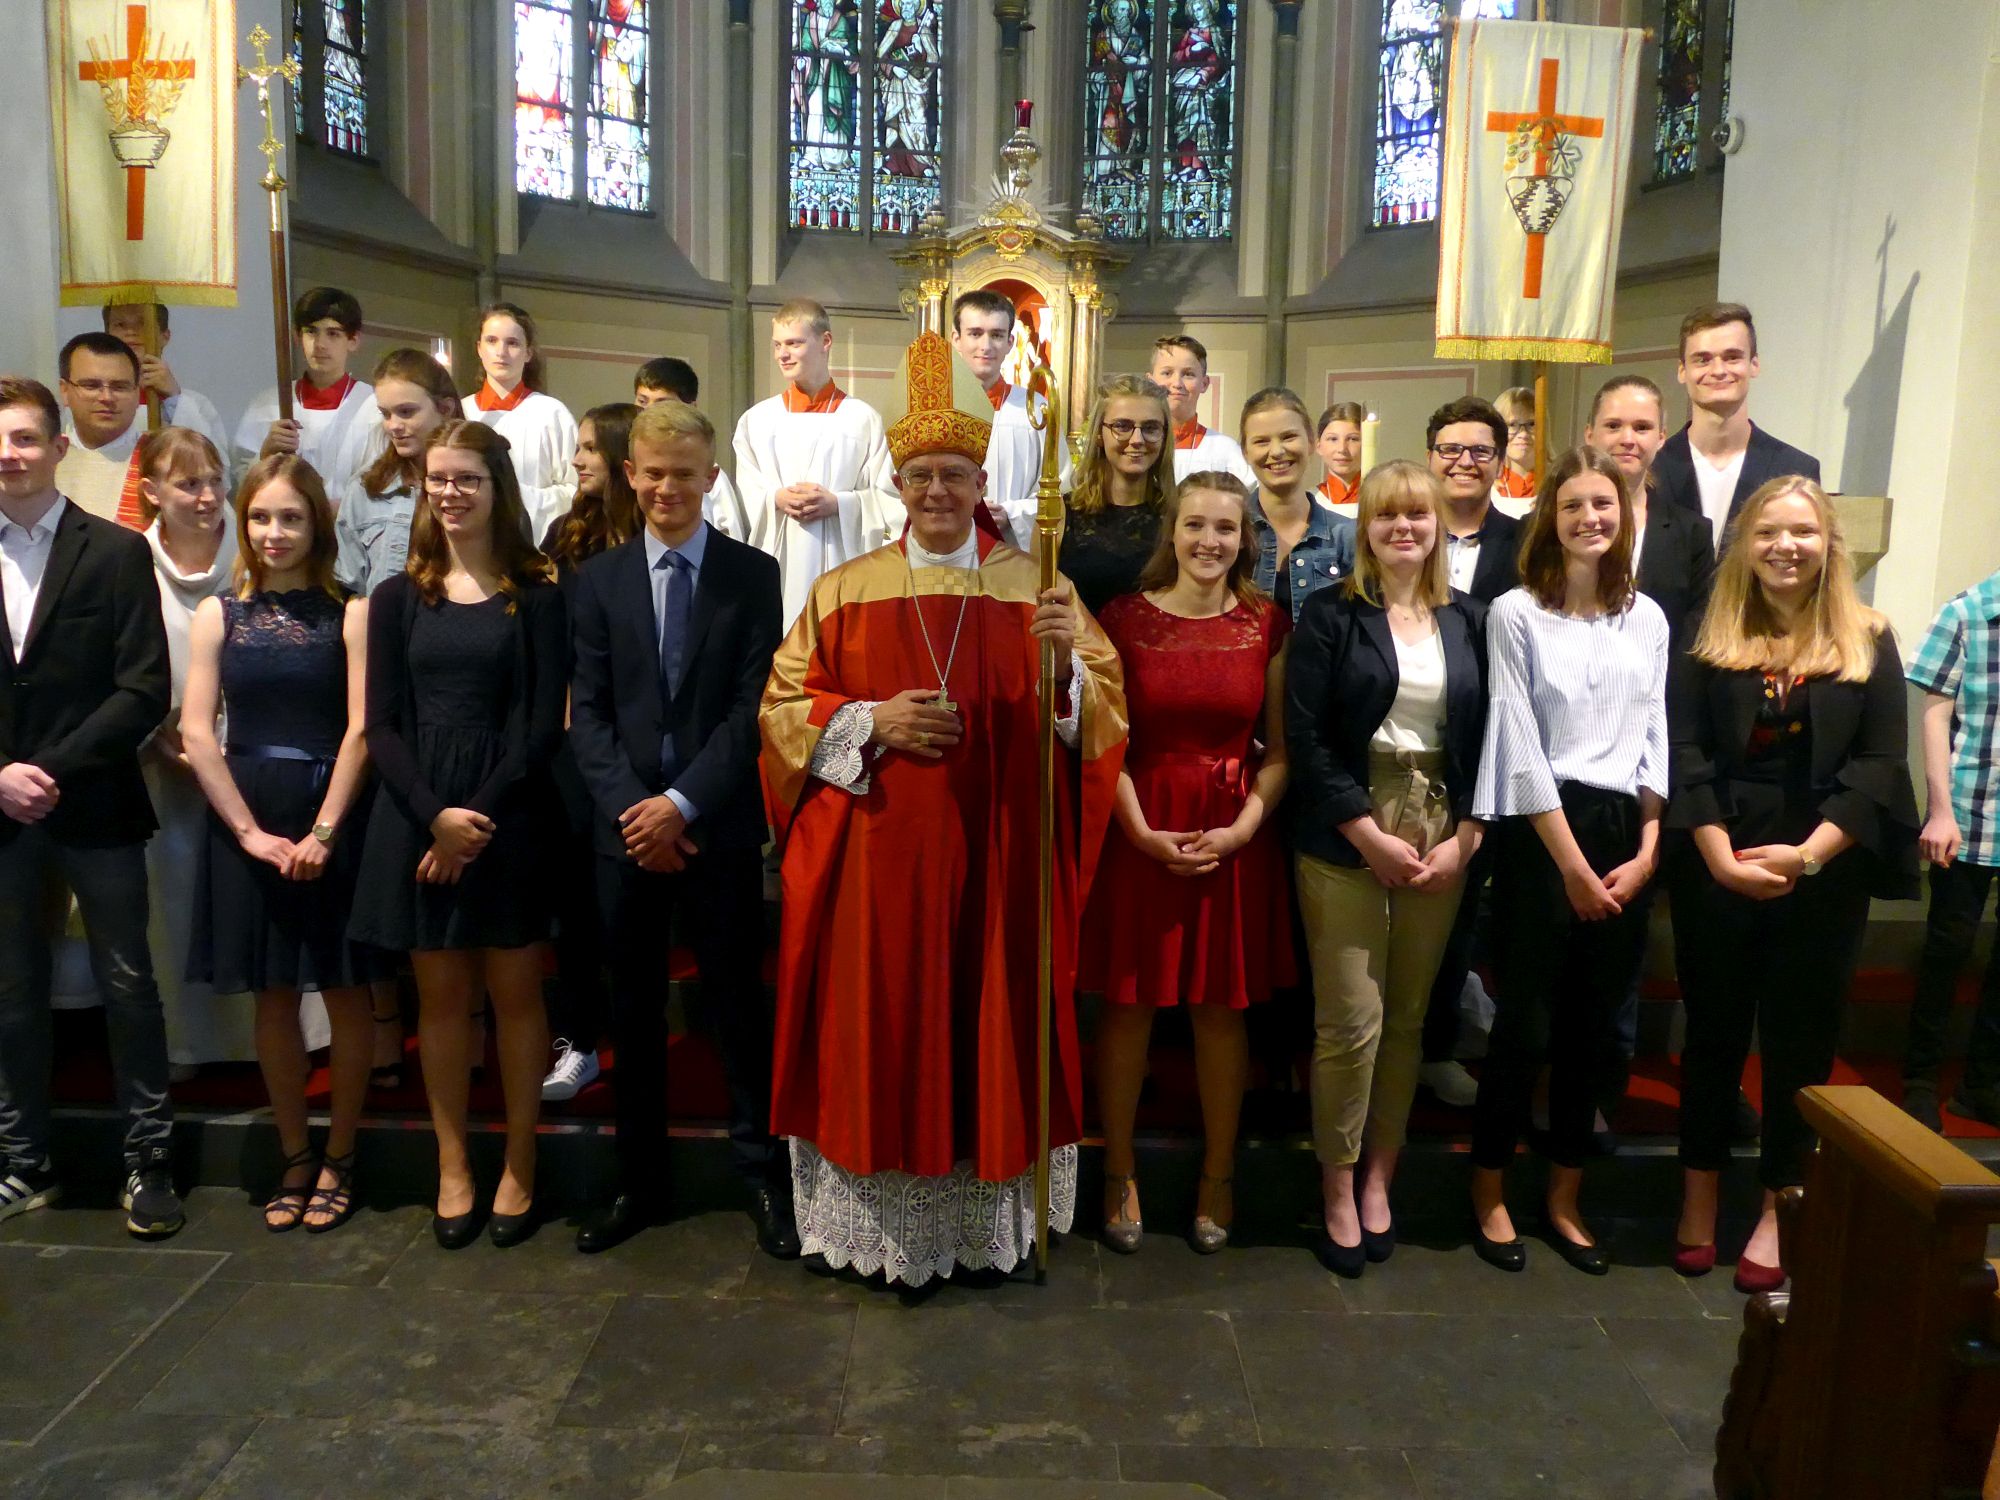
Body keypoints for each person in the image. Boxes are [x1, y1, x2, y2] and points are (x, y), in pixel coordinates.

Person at [760, 332, 1126, 1286]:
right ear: (896, 484)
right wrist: (868, 720)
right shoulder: (843, 590)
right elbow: (781, 709)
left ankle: (987, 1219)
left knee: (989, 1019)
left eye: (954, 475)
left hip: (998, 857)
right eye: (920, 475)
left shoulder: (1038, 585)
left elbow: (1102, 711)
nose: (936, 491)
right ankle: (887, 1225)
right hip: (875, 866)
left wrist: (1063, 669)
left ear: (979, 481)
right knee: (883, 1022)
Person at [1668, 477, 1916, 1291]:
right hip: (1718, 853)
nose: (1786, 546)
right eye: (1769, 531)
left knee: (1799, 1044)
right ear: (1745, 543)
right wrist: (1717, 856)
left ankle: (1779, 1203)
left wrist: (1808, 857)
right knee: (1712, 1034)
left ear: (1829, 543)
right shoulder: (1707, 632)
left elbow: (1879, 763)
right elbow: (1685, 751)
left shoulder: (1869, 636)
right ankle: (1699, 1192)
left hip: (1825, 865)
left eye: (1803, 531)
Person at [568, 401, 794, 1257]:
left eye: (685, 474)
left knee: (736, 1006)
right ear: (630, 475)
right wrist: (639, 810)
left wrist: (682, 805)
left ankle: (761, 1177)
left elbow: (752, 707)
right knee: (632, 1012)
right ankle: (639, 1181)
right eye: (654, 473)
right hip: (624, 830)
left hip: (716, 824)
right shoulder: (598, 580)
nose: (668, 488)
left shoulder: (752, 574)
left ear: (711, 477)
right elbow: (588, 713)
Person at [346, 421, 568, 1250]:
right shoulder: (398, 596)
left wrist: (471, 819)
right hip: (418, 814)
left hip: (509, 812)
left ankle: (520, 1161)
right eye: (437, 478)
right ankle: (451, 1164)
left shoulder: (536, 592)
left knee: (515, 996)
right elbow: (381, 723)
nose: (449, 492)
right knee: (439, 1002)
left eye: (466, 478)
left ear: (496, 487)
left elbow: (539, 726)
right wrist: (434, 817)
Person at [1469, 447, 1669, 1277]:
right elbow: (1515, 739)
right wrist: (1573, 868)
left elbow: (1655, 734)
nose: (1591, 518)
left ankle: (1563, 1198)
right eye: (1574, 505)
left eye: (1604, 504)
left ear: (1625, 515)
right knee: (1524, 1028)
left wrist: (1648, 851)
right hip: (1542, 832)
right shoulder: (1515, 612)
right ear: (1549, 518)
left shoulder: (1647, 617)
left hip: (1625, 835)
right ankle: (1489, 1192)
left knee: (1592, 1033)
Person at [1083, 472, 1293, 1257]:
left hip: (1230, 830)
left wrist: (1242, 830)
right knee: (1129, 1004)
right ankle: (1119, 1171)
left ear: (1245, 539)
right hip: (1140, 821)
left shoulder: (1267, 622)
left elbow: (1282, 752)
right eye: (1195, 525)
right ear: (1170, 532)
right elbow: (1104, 737)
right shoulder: (1121, 619)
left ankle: (1218, 1174)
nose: (1209, 541)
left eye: (1225, 528)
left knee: (1218, 1009)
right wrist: (1137, 829)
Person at [1286, 461, 1488, 1278]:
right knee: (1351, 1022)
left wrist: (1468, 835)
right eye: (1387, 515)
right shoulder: (1332, 616)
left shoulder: (1471, 620)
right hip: (1348, 826)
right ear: (1364, 528)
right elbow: (1305, 737)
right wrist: (1365, 831)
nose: (1404, 528)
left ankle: (1380, 1178)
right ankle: (1336, 1186)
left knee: (1408, 1017)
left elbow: (1494, 737)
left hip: (1442, 825)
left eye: (1418, 515)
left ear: (1440, 526)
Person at [181, 456, 385, 1232]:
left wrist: (324, 831)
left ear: (317, 525)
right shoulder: (218, 614)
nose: (274, 532)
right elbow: (196, 733)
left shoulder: (351, 613)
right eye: (261, 517)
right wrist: (251, 835)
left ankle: (342, 1155)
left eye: (290, 517)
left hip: (332, 811)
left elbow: (362, 729)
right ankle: (296, 1156)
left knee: (344, 988)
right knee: (271, 992)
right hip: (249, 818)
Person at [0, 377, 179, 1236]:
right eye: (0, 440)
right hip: (0, 812)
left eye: (25, 438)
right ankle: (22, 1162)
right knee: (11, 988)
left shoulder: (115, 551)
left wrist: (43, 769)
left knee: (128, 984)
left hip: (97, 801)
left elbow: (143, 688)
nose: (10, 454)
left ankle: (149, 1161)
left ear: (57, 447)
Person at [1415, 395, 1525, 1109]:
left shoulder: (1529, 543)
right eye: (1451, 449)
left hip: (1489, 744)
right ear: (1430, 455)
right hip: (1401, 740)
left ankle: (1437, 1048)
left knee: (1461, 912)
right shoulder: (1399, 528)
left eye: (1480, 450)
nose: (1464, 461)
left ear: (1500, 461)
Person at [134, 428, 254, 1076]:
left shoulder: (252, 547)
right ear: (152, 491)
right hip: (166, 760)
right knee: (174, 900)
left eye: (215, 480)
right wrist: (162, 739)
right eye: (188, 484)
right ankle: (188, 1044)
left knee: (250, 897)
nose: (208, 496)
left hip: (253, 753)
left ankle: (261, 1040)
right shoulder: (130, 561)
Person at [535, 402, 642, 1104]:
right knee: (573, 904)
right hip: (575, 739)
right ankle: (577, 1040)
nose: (576, 461)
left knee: (626, 910)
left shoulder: (657, 534)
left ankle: (635, 1042)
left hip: (639, 740)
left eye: (588, 448)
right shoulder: (565, 536)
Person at [1904, 567, 2000, 1131]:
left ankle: (1981, 1083)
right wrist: (1939, 809)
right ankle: (1920, 1080)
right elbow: (1936, 717)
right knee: (1948, 950)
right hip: (1969, 806)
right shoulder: (1967, 612)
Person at [732, 298, 896, 627]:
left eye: (794, 343)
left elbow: (888, 499)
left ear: (825, 341)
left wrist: (839, 504)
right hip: (778, 565)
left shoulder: (862, 419)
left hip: (841, 560)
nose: (782, 354)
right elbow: (744, 494)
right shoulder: (757, 420)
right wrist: (774, 498)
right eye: (777, 345)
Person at [1650, 302, 1821, 551]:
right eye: (1702, 360)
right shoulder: (1651, 468)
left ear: (1754, 364)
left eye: (1732, 357)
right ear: (1682, 370)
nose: (1718, 370)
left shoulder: (1796, 469)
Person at [1585, 375, 1715, 647]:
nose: (1627, 439)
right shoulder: (1547, 525)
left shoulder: (1692, 534)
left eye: (1642, 427)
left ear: (1661, 438)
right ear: (1590, 435)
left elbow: (1695, 638)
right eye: (1613, 426)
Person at [232, 286, 387, 499]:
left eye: (333, 333)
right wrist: (265, 456)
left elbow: (380, 482)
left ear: (353, 341)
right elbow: (241, 481)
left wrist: (331, 510)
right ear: (297, 337)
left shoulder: (373, 406)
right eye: (311, 331)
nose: (320, 344)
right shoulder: (269, 404)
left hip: (345, 520)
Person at [336, 348, 462, 599]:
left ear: (445, 408)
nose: (393, 426)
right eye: (386, 414)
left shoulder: (480, 483)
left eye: (406, 412)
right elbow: (349, 587)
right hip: (385, 621)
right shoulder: (366, 488)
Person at [1060, 374, 1174, 615]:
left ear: (1164, 437)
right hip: (1078, 640)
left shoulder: (1178, 515)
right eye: (1122, 426)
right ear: (1099, 434)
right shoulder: (1060, 514)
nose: (1137, 440)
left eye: (1151, 428)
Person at [467, 301, 580, 542]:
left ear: (528, 353)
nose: (501, 352)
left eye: (513, 343)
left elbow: (575, 489)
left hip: (534, 545)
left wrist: (517, 496)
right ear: (479, 348)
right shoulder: (461, 412)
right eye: (491, 341)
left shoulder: (552, 413)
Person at [1240, 387, 1355, 625]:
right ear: (1245, 452)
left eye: (1288, 437)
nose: (1277, 451)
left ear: (1312, 442)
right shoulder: (1229, 532)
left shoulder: (1347, 537)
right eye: (1261, 441)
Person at [949, 288, 1049, 553]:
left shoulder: (1035, 409)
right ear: (956, 339)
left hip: (1011, 553)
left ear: (1010, 342)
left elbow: (1059, 493)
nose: (986, 346)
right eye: (975, 333)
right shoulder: (933, 407)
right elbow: (901, 488)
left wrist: (1012, 515)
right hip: (945, 550)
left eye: (996, 335)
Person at [633, 357, 748, 539]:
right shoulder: (626, 462)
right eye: (642, 402)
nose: (650, 412)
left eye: (662, 404)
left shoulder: (708, 477)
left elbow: (729, 536)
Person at [99, 303, 230, 453]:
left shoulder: (197, 404)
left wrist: (174, 399)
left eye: (143, 323)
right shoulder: (98, 399)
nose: (130, 332)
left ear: (165, 336)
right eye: (120, 324)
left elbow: (214, 462)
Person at [54, 332, 149, 526]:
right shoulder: (45, 459)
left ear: (136, 392)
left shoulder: (162, 459)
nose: (106, 397)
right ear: (64, 391)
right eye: (91, 385)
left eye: (119, 387)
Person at [1150, 336, 1257, 488]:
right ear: (1150, 382)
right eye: (1167, 373)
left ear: (1204, 383)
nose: (1177, 383)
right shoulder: (1139, 445)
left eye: (1188, 374)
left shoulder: (1225, 450)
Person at [1490, 386, 1538, 514]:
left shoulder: (1556, 481)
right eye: (1512, 424)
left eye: (1531, 424)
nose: (1523, 434)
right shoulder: (1486, 481)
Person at [1313, 401, 1364, 516]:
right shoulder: (1310, 501)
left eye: (1353, 439)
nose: (1342, 449)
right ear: (1318, 446)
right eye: (1333, 439)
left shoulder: (1382, 498)